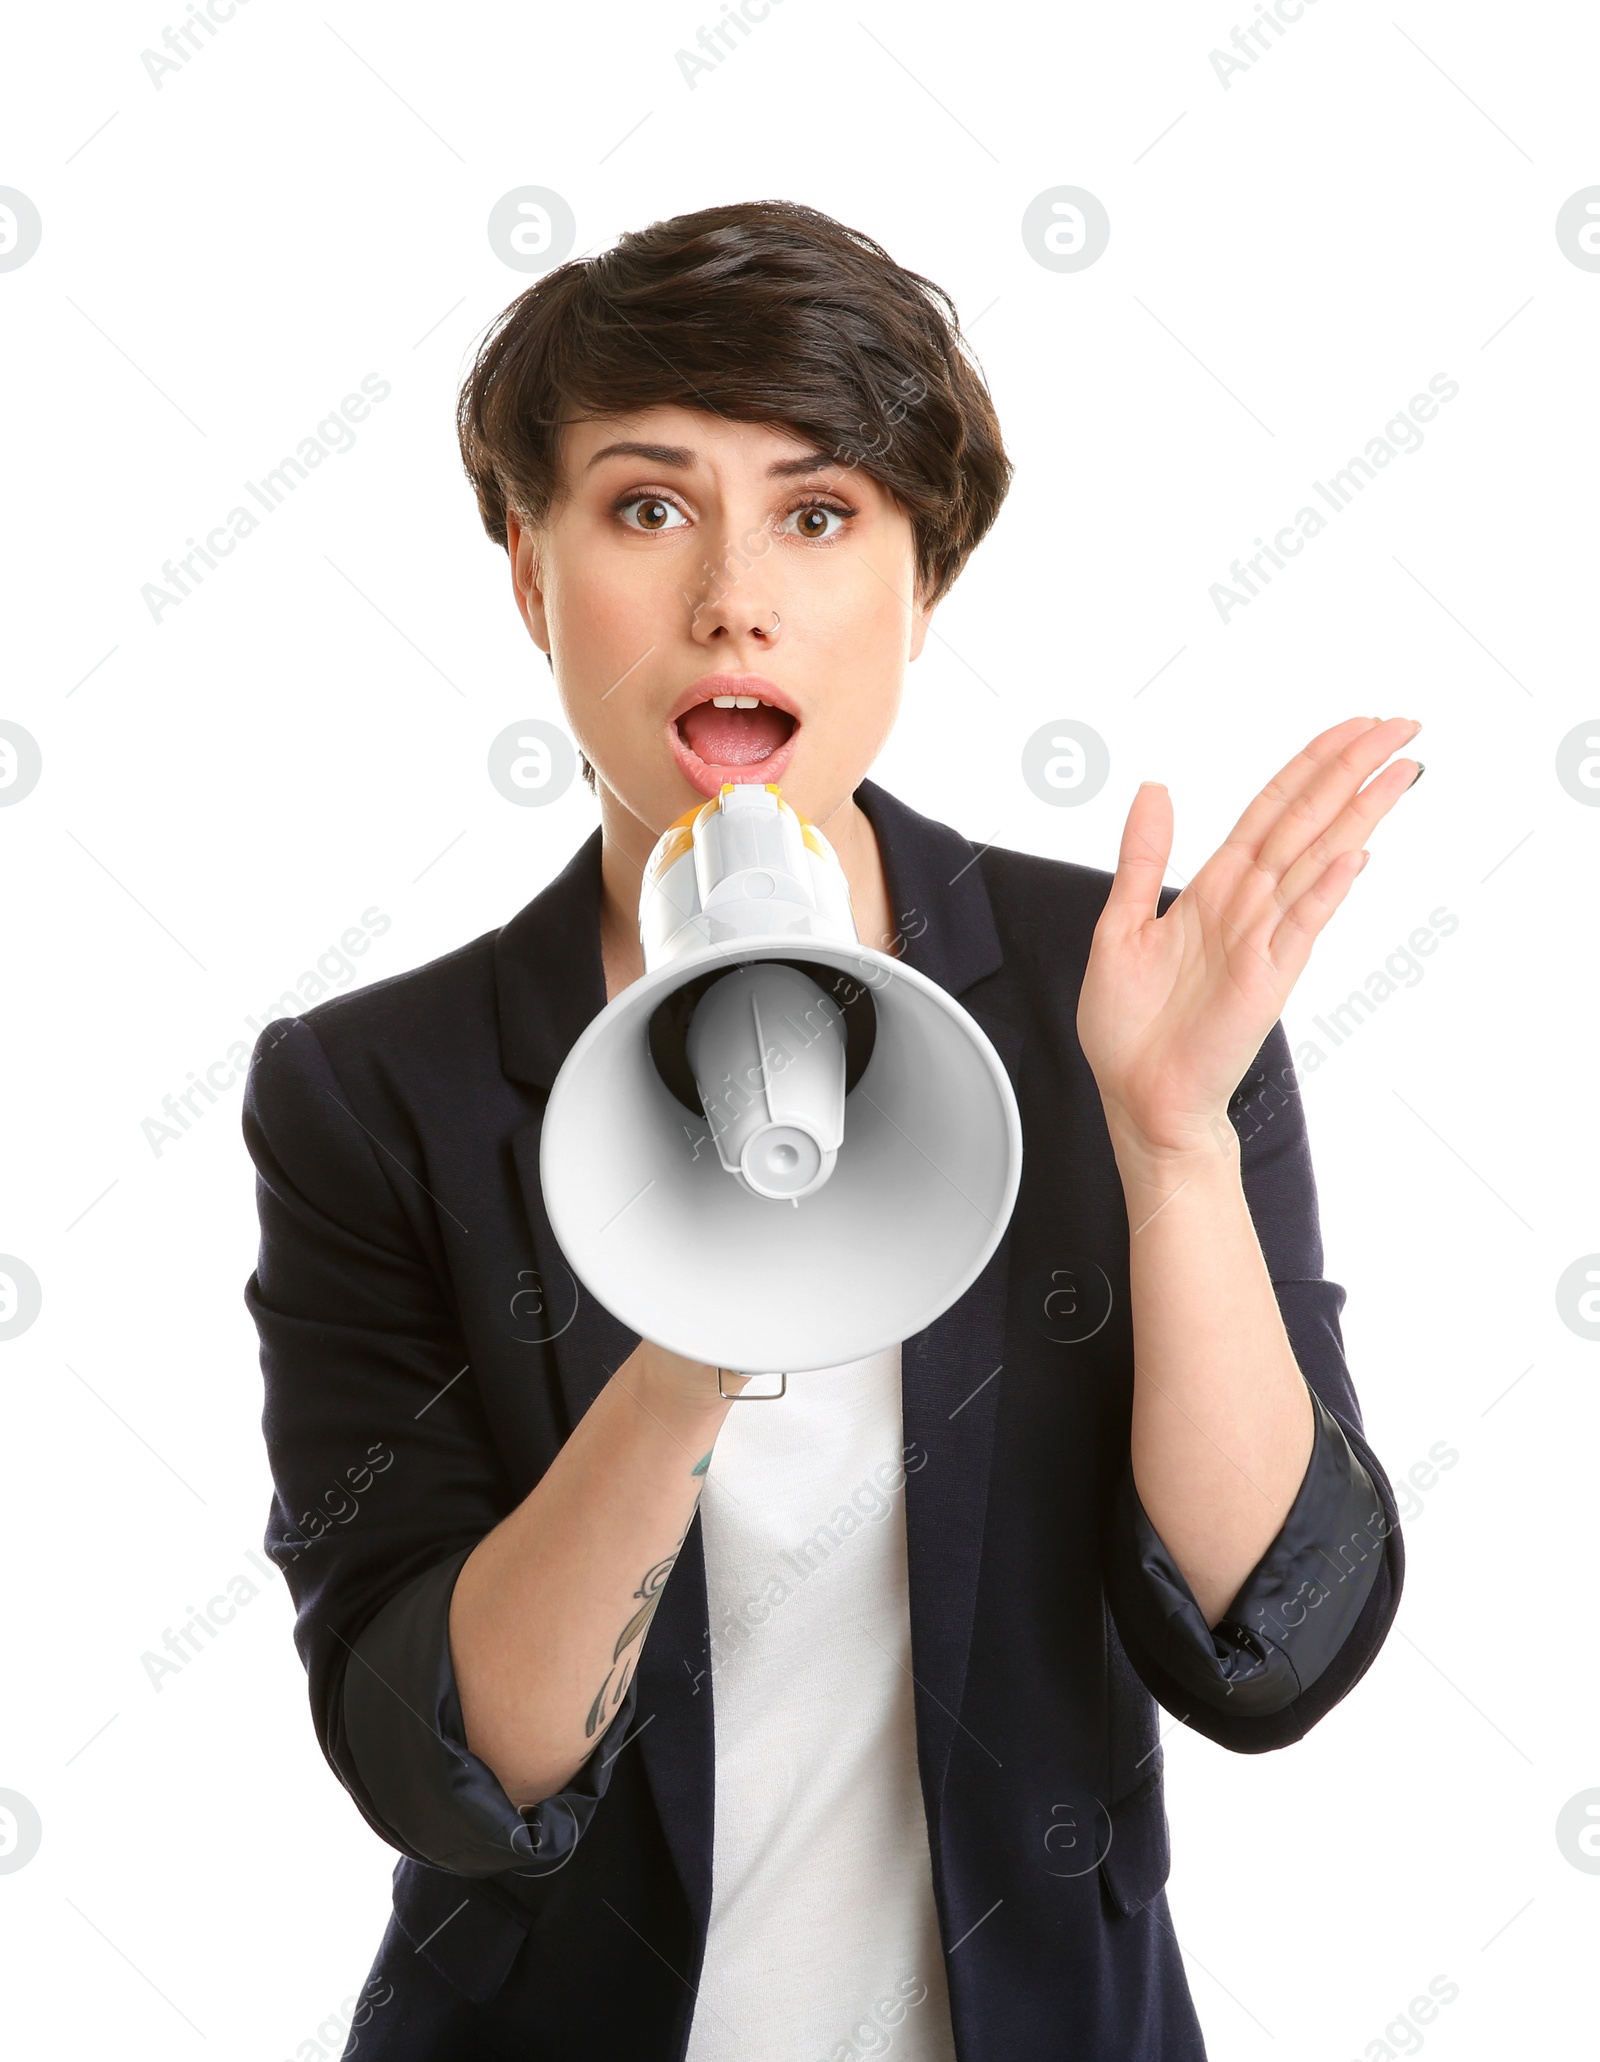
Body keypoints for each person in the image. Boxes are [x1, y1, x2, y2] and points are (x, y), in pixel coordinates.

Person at [243, 199, 1415, 2061]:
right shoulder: (376, 1088)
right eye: (645, 507)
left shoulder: (1123, 992)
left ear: (920, 584)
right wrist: (702, 1322)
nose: (734, 594)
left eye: (818, 512)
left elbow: (1276, 1645)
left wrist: (1172, 1142)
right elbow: (438, 1758)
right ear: (534, 580)